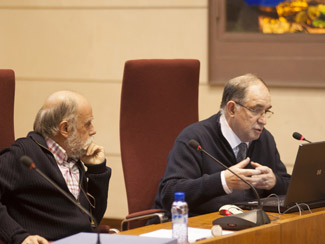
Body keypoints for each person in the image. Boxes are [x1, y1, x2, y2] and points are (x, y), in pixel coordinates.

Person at [152, 73, 291, 219]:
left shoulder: (264, 139)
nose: (263, 120)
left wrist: (274, 182)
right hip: (200, 229)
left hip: (247, 226)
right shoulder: (194, 139)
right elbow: (169, 194)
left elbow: (290, 187)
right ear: (232, 109)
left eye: (266, 111)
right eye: (256, 110)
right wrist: (223, 181)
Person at [0, 91, 111, 244]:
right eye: (88, 123)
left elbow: (92, 219)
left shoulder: (74, 158)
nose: (93, 130)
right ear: (65, 129)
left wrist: (97, 170)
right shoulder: (23, 154)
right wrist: (18, 236)